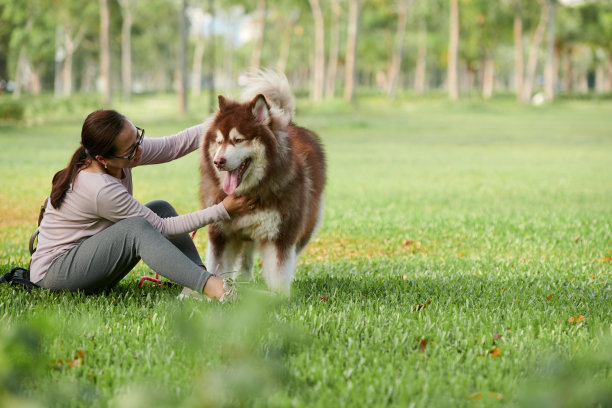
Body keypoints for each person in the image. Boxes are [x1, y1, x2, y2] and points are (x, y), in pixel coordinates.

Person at [29, 109, 256, 301]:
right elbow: (162, 228)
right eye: (132, 149)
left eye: (138, 137)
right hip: (54, 275)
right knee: (137, 227)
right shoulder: (99, 188)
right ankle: (214, 288)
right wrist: (222, 210)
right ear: (102, 158)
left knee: (160, 207)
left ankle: (195, 280)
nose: (140, 148)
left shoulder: (122, 152)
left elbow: (174, 145)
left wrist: (223, 121)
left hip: (85, 260)